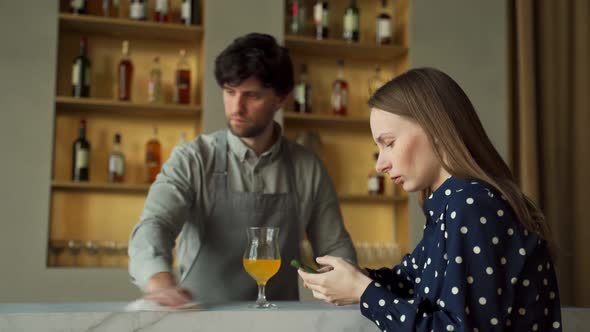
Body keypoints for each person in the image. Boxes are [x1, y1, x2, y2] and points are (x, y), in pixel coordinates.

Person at [298, 68, 562, 331]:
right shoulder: (453, 204)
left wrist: (363, 290)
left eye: (389, 143)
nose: (380, 164)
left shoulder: (471, 206)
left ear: (435, 127)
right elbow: (410, 280)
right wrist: (358, 279)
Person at [128, 33, 356, 306]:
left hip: (279, 324)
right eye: (230, 92)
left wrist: (348, 290)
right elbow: (155, 224)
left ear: (280, 99)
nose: (237, 107)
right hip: (198, 320)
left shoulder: (308, 168)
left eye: (252, 95)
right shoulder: (194, 159)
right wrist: (159, 280)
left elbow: (334, 249)